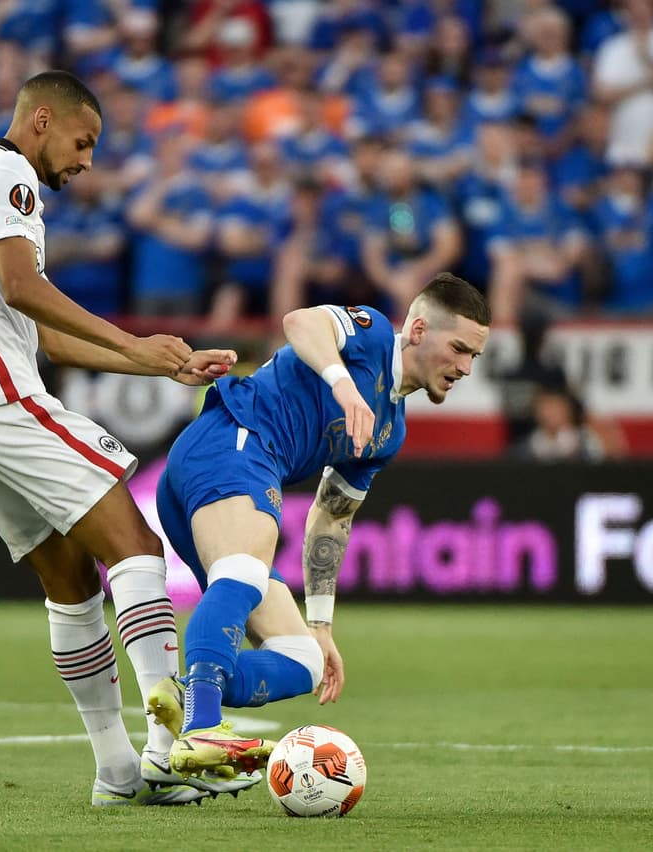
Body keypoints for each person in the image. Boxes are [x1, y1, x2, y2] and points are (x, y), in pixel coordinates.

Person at [0, 70, 246, 807]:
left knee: (70, 580)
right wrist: (133, 342)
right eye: (82, 140)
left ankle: (118, 773)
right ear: (42, 119)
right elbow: (23, 286)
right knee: (137, 547)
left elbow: (49, 339)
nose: (87, 160)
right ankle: (169, 749)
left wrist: (159, 362)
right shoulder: (8, 175)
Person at [146, 273, 490, 776]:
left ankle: (180, 710)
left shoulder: (389, 431)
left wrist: (322, 624)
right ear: (418, 330)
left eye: (474, 356)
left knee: (303, 658)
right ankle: (202, 728)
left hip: (218, 473)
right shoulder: (373, 334)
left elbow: (331, 517)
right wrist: (343, 384)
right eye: (458, 349)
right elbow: (299, 322)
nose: (465, 367)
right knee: (244, 572)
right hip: (235, 441)